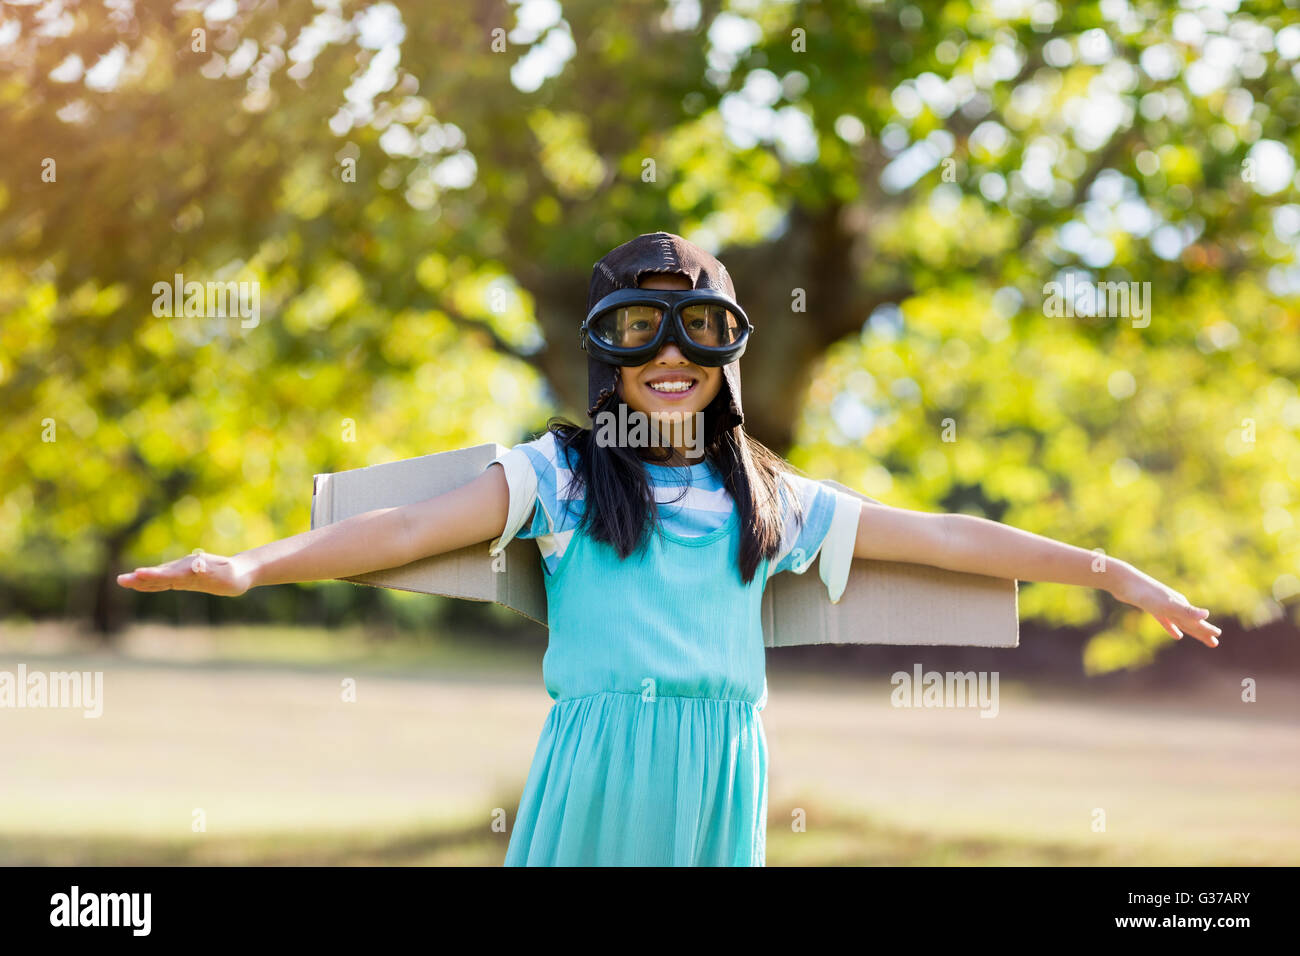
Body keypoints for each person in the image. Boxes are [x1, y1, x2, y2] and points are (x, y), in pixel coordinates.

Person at [117, 231, 1222, 866]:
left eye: (696, 333)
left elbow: (936, 536)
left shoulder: (766, 495)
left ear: (726, 352)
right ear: (609, 354)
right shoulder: (559, 476)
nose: (670, 359)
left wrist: (1102, 567)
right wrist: (253, 563)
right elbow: (403, 527)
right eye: (640, 335)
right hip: (601, 756)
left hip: (720, 763)